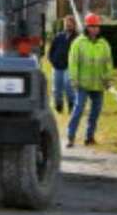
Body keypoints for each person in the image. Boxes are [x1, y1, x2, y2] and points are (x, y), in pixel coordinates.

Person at [65, 13, 113, 147]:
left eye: (97, 26)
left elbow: (108, 62)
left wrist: (108, 79)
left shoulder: (104, 44)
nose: (95, 29)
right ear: (87, 27)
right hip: (82, 84)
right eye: (92, 26)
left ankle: (89, 137)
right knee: (78, 110)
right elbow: (73, 62)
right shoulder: (78, 43)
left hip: (98, 84)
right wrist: (73, 79)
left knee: (95, 112)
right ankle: (70, 136)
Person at [47, 15, 78, 113]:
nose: (68, 25)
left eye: (70, 23)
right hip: (57, 66)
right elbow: (51, 50)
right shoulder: (59, 36)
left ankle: (71, 104)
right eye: (66, 23)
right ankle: (58, 105)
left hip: (69, 67)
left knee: (68, 85)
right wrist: (52, 60)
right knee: (57, 88)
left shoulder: (77, 38)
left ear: (74, 25)